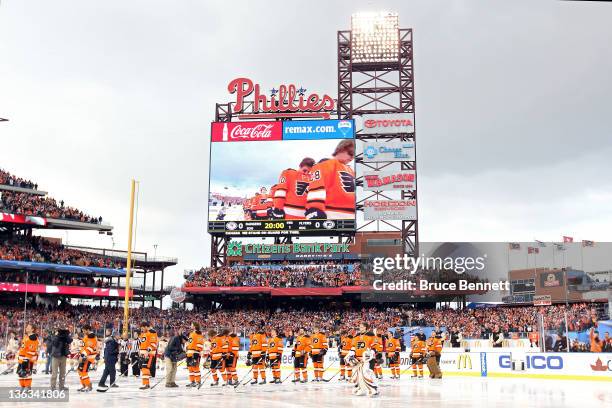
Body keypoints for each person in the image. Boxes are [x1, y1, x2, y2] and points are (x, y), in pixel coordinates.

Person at [305, 139, 355, 220]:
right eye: (350, 153)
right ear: (341, 149)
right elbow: (317, 188)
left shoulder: (351, 170)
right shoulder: (324, 165)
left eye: (354, 155)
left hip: (351, 217)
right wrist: (315, 209)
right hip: (331, 214)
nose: (352, 157)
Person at [17, 324, 39, 390]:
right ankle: (22, 386)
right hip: (22, 358)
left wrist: (26, 359)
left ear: (32, 329)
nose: (26, 328)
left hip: (27, 359)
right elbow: (23, 348)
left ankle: (28, 386)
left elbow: (32, 350)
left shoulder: (33, 338)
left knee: (27, 373)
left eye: (28, 327)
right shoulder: (26, 336)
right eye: (26, 327)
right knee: (20, 373)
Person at [77, 324, 98, 392]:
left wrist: (82, 355)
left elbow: (89, 348)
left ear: (88, 330)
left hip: (88, 358)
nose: (83, 332)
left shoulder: (92, 337)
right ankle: (84, 385)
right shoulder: (86, 336)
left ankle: (89, 386)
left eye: (84, 331)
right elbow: (83, 346)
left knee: (83, 371)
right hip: (83, 356)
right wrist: (80, 353)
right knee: (79, 370)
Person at [138, 321, 158, 390]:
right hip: (143, 354)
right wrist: (140, 352)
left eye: (143, 328)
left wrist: (147, 351)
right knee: (142, 368)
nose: (142, 329)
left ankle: (146, 384)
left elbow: (153, 344)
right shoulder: (143, 333)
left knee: (145, 368)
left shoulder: (152, 332)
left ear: (146, 327)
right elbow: (143, 344)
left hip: (149, 354)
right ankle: (146, 384)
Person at [186, 323, 204, 387]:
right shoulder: (191, 334)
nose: (190, 326)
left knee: (195, 367)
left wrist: (197, 352)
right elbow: (190, 343)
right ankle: (192, 382)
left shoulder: (198, 334)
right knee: (190, 368)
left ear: (194, 326)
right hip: (189, 353)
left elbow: (200, 344)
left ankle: (198, 381)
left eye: (191, 325)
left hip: (195, 353)